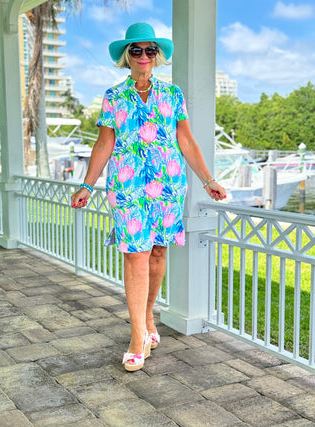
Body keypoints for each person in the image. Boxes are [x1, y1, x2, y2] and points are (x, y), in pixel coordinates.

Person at [71, 22, 226, 372]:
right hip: (127, 188)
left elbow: (186, 140)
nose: (144, 56)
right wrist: (87, 183)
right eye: (137, 50)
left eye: (150, 50)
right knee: (135, 256)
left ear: (157, 56)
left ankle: (147, 318)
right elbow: (105, 142)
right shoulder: (114, 96)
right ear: (128, 56)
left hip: (168, 185)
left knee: (157, 253)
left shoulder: (172, 94)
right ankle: (137, 335)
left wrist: (208, 179)